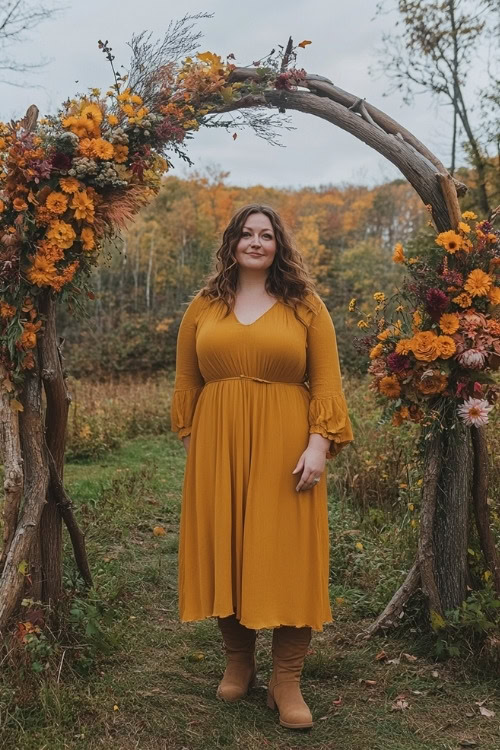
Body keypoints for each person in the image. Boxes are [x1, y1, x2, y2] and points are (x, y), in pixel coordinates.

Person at [170, 204, 354, 730]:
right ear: (231, 243)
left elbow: (327, 383)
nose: (256, 242)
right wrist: (195, 442)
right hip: (218, 445)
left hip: (286, 445)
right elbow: (187, 382)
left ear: (278, 245)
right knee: (229, 548)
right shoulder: (205, 305)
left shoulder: (305, 306)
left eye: (266, 235)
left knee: (289, 555)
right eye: (247, 234)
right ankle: (239, 664)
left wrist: (318, 445)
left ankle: (287, 680)